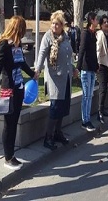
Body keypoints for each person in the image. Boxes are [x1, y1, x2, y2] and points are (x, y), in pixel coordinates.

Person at [0, 16, 36, 171]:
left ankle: (11, 155)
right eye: (22, 29)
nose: (24, 32)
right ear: (17, 29)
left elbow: (22, 63)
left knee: (14, 123)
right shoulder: (4, 45)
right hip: (7, 90)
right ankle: (8, 157)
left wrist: (32, 74)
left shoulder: (16, 44)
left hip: (18, 88)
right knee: (9, 124)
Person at [35, 10, 78, 150]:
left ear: (62, 25)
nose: (54, 26)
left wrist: (73, 68)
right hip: (54, 78)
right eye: (52, 23)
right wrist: (37, 70)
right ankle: (48, 138)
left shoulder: (65, 38)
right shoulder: (48, 37)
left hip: (65, 77)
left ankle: (58, 133)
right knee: (54, 108)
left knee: (63, 107)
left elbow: (67, 57)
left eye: (57, 24)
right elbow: (42, 54)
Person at [77, 12, 99, 132]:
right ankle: (85, 121)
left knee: (90, 95)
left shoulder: (93, 34)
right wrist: (78, 67)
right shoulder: (85, 34)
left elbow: (93, 53)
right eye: (96, 19)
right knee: (86, 95)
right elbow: (82, 50)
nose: (97, 21)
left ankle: (87, 118)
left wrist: (96, 66)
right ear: (92, 21)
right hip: (85, 69)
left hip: (91, 68)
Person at [96, 15, 108, 124]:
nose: (106, 24)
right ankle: (99, 112)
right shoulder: (101, 35)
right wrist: (97, 63)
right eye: (104, 22)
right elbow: (98, 50)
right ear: (101, 25)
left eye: (107, 22)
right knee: (102, 88)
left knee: (105, 88)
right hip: (101, 65)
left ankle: (103, 109)